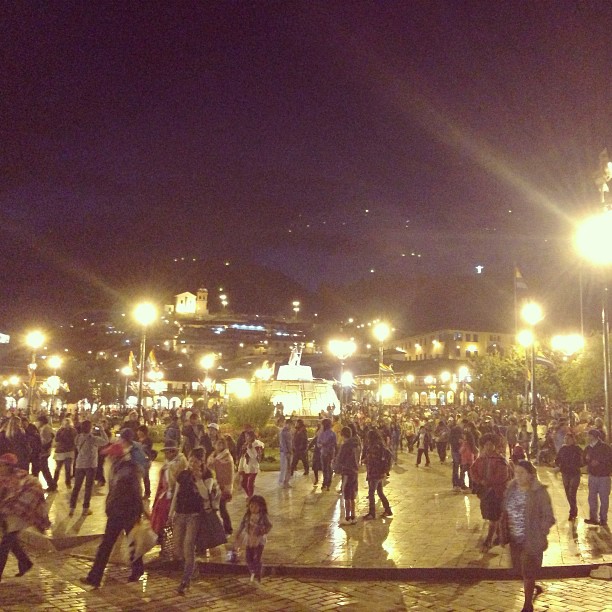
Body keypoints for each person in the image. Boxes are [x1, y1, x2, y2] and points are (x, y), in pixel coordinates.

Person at [80, 435, 144, 588]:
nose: (107, 457)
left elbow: (131, 492)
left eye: (110, 455)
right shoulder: (118, 467)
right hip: (118, 511)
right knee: (114, 544)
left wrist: (135, 511)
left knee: (119, 543)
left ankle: (95, 577)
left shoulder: (127, 469)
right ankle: (96, 577)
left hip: (125, 512)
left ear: (116, 456)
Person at [501, 460, 555, 612]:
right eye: (516, 472)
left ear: (530, 475)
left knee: (528, 572)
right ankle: (530, 585)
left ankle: (527, 604)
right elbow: (505, 509)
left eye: (521, 473)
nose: (517, 476)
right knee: (519, 570)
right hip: (514, 538)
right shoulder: (511, 488)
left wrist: (540, 532)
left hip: (531, 539)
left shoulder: (539, 492)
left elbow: (548, 516)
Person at [169, 447, 216, 595]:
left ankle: (185, 580)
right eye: (190, 460)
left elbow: (205, 495)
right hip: (180, 514)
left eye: (195, 461)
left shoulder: (207, 475)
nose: (192, 463)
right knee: (178, 548)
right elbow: (176, 494)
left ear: (202, 462)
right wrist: (171, 513)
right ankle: (193, 569)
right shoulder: (183, 474)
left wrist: (198, 479)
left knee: (188, 546)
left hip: (194, 515)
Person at [0, 453, 50, 581]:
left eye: (2, 465)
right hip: (7, 513)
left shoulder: (21, 479)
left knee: (5, 544)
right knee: (10, 541)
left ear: (9, 466)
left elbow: (30, 493)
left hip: (18, 514)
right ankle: (25, 563)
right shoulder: (3, 477)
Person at [470, 433, 513, 551]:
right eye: (486, 445)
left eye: (490, 445)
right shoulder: (481, 459)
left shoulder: (500, 460)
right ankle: (500, 535)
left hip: (496, 492)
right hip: (484, 493)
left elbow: (502, 476)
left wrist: (487, 482)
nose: (488, 447)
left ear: (494, 446)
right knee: (491, 515)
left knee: (493, 517)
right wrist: (480, 480)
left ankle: (488, 540)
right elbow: (473, 470)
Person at [150, 440, 187, 556]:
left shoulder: (180, 463)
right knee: (159, 518)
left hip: (175, 496)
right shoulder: (168, 464)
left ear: (173, 452)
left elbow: (178, 481)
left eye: (168, 452)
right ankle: (163, 543)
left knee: (171, 521)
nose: (166, 455)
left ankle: (173, 544)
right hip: (165, 495)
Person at [70, 420, 109, 516]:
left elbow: (76, 446)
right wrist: (101, 430)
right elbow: (106, 441)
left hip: (79, 464)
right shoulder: (93, 439)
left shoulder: (78, 437)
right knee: (88, 487)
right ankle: (85, 508)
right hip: (91, 465)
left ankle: (72, 508)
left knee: (77, 487)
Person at [233, 494, 272, 583]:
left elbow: (269, 525)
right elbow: (242, 524)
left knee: (257, 557)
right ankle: (254, 570)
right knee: (248, 557)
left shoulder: (263, 516)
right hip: (249, 538)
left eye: (256, 506)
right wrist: (238, 533)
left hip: (259, 540)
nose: (253, 508)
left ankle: (257, 573)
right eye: (251, 506)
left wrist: (263, 531)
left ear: (261, 507)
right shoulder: (247, 516)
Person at [583, 429, 612, 527]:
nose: (587, 437)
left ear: (594, 436)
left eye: (589, 435)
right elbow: (583, 460)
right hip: (592, 476)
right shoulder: (588, 448)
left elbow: (609, 460)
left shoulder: (605, 447)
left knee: (604, 498)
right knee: (592, 498)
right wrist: (586, 460)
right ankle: (593, 518)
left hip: (603, 476)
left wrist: (599, 462)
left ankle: (603, 519)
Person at [362, 429, 392, 520]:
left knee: (371, 493)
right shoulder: (381, 445)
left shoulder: (374, 447)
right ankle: (387, 509)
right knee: (380, 492)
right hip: (381, 472)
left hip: (374, 472)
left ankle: (372, 513)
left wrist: (365, 460)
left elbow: (373, 459)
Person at [207, 437, 235, 534]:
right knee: (214, 508)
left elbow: (228, 473)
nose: (219, 445)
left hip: (223, 486)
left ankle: (228, 528)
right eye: (218, 443)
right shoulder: (213, 455)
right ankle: (216, 528)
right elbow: (209, 466)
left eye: (221, 444)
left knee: (222, 508)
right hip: (213, 485)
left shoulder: (227, 457)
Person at [554, 432, 583, 521]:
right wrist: (558, 465)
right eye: (565, 439)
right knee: (567, 492)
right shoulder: (563, 449)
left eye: (568, 438)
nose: (566, 440)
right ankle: (573, 508)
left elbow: (582, 461)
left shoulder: (577, 449)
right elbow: (557, 459)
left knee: (572, 492)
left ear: (573, 439)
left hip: (575, 473)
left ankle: (572, 511)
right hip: (565, 473)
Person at [334, 426, 360, 524]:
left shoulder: (345, 446)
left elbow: (340, 459)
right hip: (355, 472)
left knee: (347, 495)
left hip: (347, 472)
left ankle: (348, 517)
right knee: (352, 495)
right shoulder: (356, 444)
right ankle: (353, 516)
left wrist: (336, 468)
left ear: (343, 435)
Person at [238, 430, 264, 498]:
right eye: (245, 436)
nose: (246, 438)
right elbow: (242, 456)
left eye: (248, 436)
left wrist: (248, 449)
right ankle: (249, 496)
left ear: (252, 436)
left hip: (253, 467)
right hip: (246, 467)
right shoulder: (246, 444)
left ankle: (250, 497)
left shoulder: (256, 444)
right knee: (244, 483)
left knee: (250, 483)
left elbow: (254, 456)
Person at [53, 417, 77, 489]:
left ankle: (68, 482)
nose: (66, 425)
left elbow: (75, 440)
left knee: (68, 468)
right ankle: (54, 483)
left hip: (69, 451)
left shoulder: (73, 430)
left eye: (68, 423)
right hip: (60, 451)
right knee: (58, 468)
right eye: (65, 423)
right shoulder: (60, 430)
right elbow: (57, 439)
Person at [36, 415, 56, 491]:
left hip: (44, 451)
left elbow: (45, 441)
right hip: (46, 451)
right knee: (44, 468)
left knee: (44, 468)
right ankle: (51, 484)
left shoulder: (45, 428)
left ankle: (51, 485)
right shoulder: (46, 427)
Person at [317, 418, 337, 491]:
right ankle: (327, 482)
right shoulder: (325, 433)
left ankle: (327, 482)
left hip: (327, 452)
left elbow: (333, 443)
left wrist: (323, 444)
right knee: (326, 467)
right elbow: (318, 442)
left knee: (326, 467)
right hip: (326, 452)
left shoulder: (330, 433)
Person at [136, 425, 154, 499]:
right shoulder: (138, 439)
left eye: (139, 431)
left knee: (145, 476)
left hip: (145, 461)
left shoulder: (148, 440)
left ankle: (147, 493)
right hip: (139, 460)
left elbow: (144, 449)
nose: (138, 432)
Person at [278, 418, 294, 488]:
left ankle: (286, 481)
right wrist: (286, 452)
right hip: (284, 453)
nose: (290, 426)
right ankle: (282, 482)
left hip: (290, 452)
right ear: (286, 424)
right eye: (289, 425)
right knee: (284, 467)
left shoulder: (289, 432)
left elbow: (290, 442)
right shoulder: (283, 432)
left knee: (288, 467)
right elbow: (283, 443)